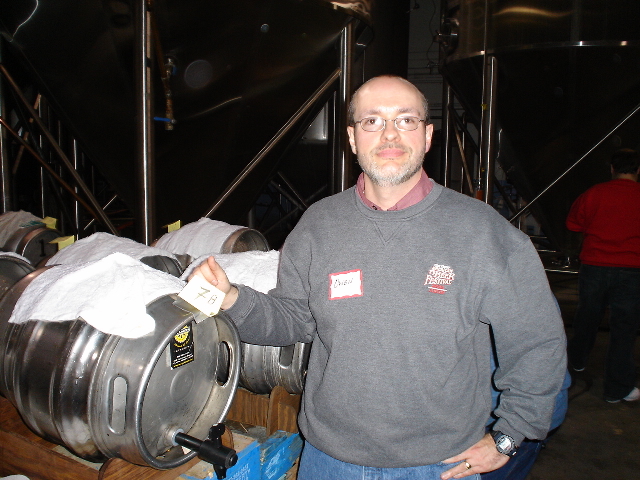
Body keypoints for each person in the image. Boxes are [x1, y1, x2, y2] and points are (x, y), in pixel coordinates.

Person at [193, 75, 567, 479]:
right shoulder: (319, 224)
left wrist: (509, 436)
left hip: (440, 465)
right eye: (372, 121)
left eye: (405, 120)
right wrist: (233, 299)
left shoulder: (483, 233)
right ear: (352, 139)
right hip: (328, 460)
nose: (389, 134)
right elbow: (295, 319)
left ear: (427, 136)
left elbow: (536, 341)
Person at [566, 148, 640, 403]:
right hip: (632, 270)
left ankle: (574, 363)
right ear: (638, 170)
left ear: (612, 169)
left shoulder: (594, 193)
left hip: (595, 267)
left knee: (587, 317)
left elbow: (573, 223)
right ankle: (617, 389)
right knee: (624, 330)